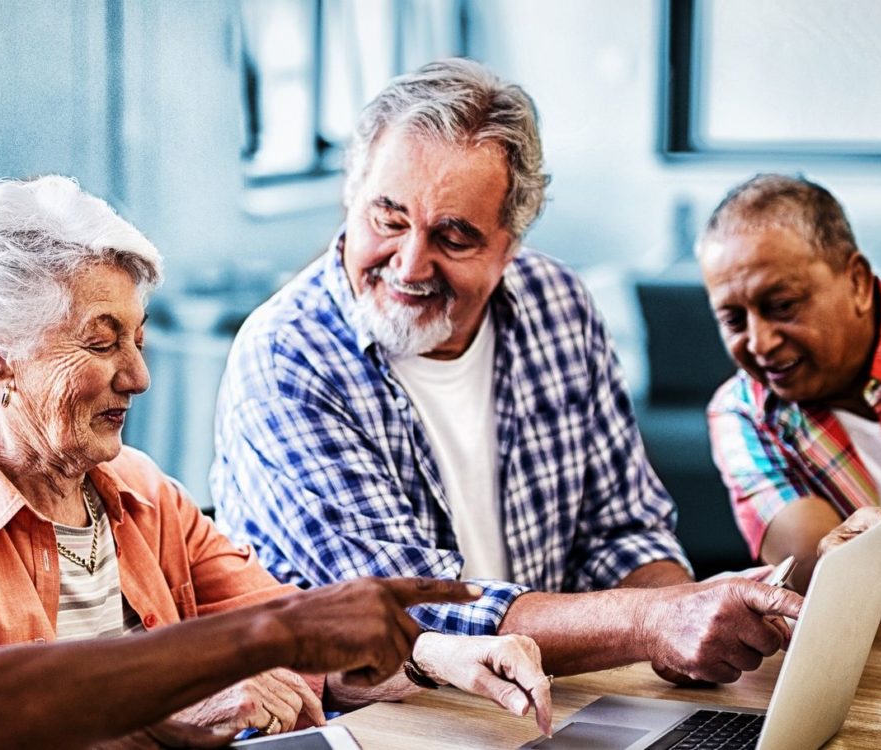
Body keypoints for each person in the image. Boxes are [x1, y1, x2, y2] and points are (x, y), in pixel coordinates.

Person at [0, 178, 553, 743]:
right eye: (100, 343)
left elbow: (301, 634)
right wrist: (163, 709)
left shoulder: (139, 489)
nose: (139, 376)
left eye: (137, 340)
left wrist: (446, 656)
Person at [211, 57, 803, 685]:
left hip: (548, 701)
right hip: (376, 718)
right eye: (388, 220)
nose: (410, 265)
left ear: (510, 244)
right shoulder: (288, 358)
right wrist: (653, 621)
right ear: (351, 199)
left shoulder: (558, 303)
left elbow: (622, 530)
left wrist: (686, 623)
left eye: (454, 237)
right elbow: (405, 611)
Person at [699, 174, 881, 593]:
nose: (760, 343)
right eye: (733, 320)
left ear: (857, 281)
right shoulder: (742, 412)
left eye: (782, 306)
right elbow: (824, 579)